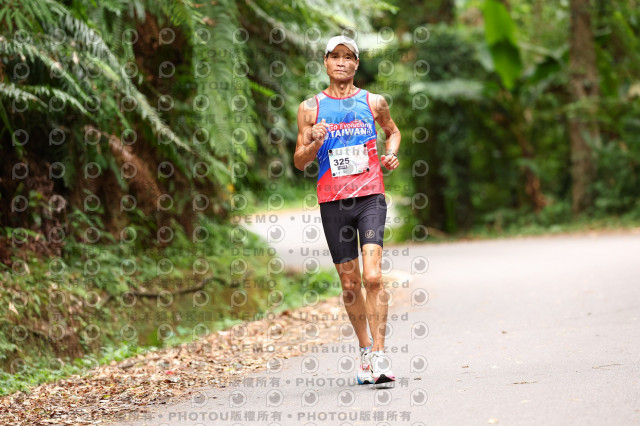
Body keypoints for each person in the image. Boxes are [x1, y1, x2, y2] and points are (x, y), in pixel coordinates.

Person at [293, 35, 401, 387]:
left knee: (373, 277)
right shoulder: (310, 108)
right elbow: (299, 160)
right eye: (335, 56)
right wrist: (314, 141)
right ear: (326, 62)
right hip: (333, 202)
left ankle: (381, 354)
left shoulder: (374, 101)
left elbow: (393, 132)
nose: (341, 62)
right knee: (350, 283)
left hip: (370, 196)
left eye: (348, 57)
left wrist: (391, 153)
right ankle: (365, 351)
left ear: (356, 63)